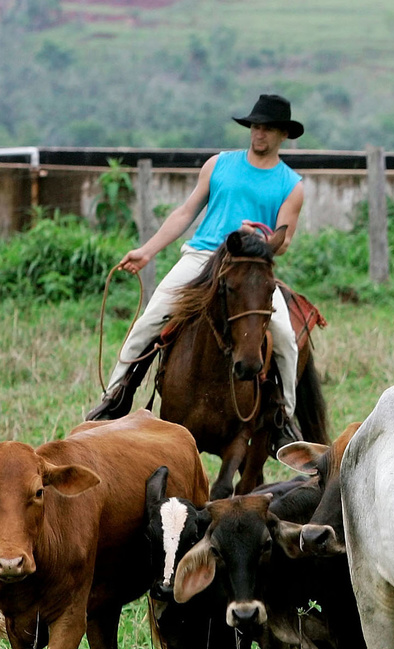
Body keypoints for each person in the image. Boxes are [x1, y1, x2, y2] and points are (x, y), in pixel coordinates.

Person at [87, 94, 306, 442]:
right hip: (201, 257)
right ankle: (114, 400)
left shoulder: (291, 185)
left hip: (251, 267)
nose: (259, 134)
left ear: (284, 135)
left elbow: (285, 237)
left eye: (267, 129)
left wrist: (259, 238)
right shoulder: (218, 165)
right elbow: (185, 212)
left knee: (285, 338)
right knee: (151, 319)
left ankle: (283, 419)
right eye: (255, 127)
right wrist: (147, 251)